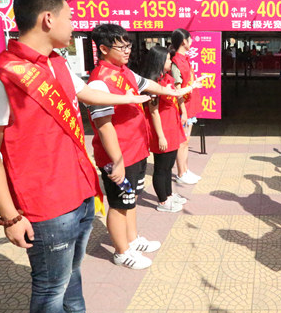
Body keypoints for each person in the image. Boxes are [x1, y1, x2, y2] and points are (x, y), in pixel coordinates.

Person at [0, 0, 155, 313]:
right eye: (70, 17)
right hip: (44, 205)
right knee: (49, 287)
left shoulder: (56, 63)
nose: (75, 25)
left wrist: (133, 98)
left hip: (81, 190)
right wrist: (10, 217)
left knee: (73, 270)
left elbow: (87, 95)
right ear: (47, 18)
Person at [86, 23, 178, 269]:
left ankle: (132, 239)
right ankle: (121, 251)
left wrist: (174, 93)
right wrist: (116, 162)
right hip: (119, 157)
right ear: (103, 49)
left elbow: (147, 84)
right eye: (121, 46)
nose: (127, 50)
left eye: (128, 45)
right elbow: (104, 127)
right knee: (119, 204)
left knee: (131, 198)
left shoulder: (124, 71)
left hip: (136, 151)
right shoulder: (99, 82)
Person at [143, 45, 191, 212]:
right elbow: (154, 112)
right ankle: (162, 201)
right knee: (161, 167)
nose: (171, 62)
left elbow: (177, 94)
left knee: (169, 166)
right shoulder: (153, 83)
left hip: (172, 126)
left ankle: (169, 195)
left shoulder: (167, 78)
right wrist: (161, 136)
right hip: (161, 130)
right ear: (159, 61)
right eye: (168, 59)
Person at [170, 28, 203, 185]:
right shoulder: (176, 62)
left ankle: (185, 170)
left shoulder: (184, 59)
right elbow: (178, 90)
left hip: (189, 106)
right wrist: (183, 111)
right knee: (182, 142)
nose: (192, 41)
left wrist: (196, 82)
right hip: (184, 108)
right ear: (184, 41)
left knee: (186, 141)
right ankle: (181, 172)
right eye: (190, 39)